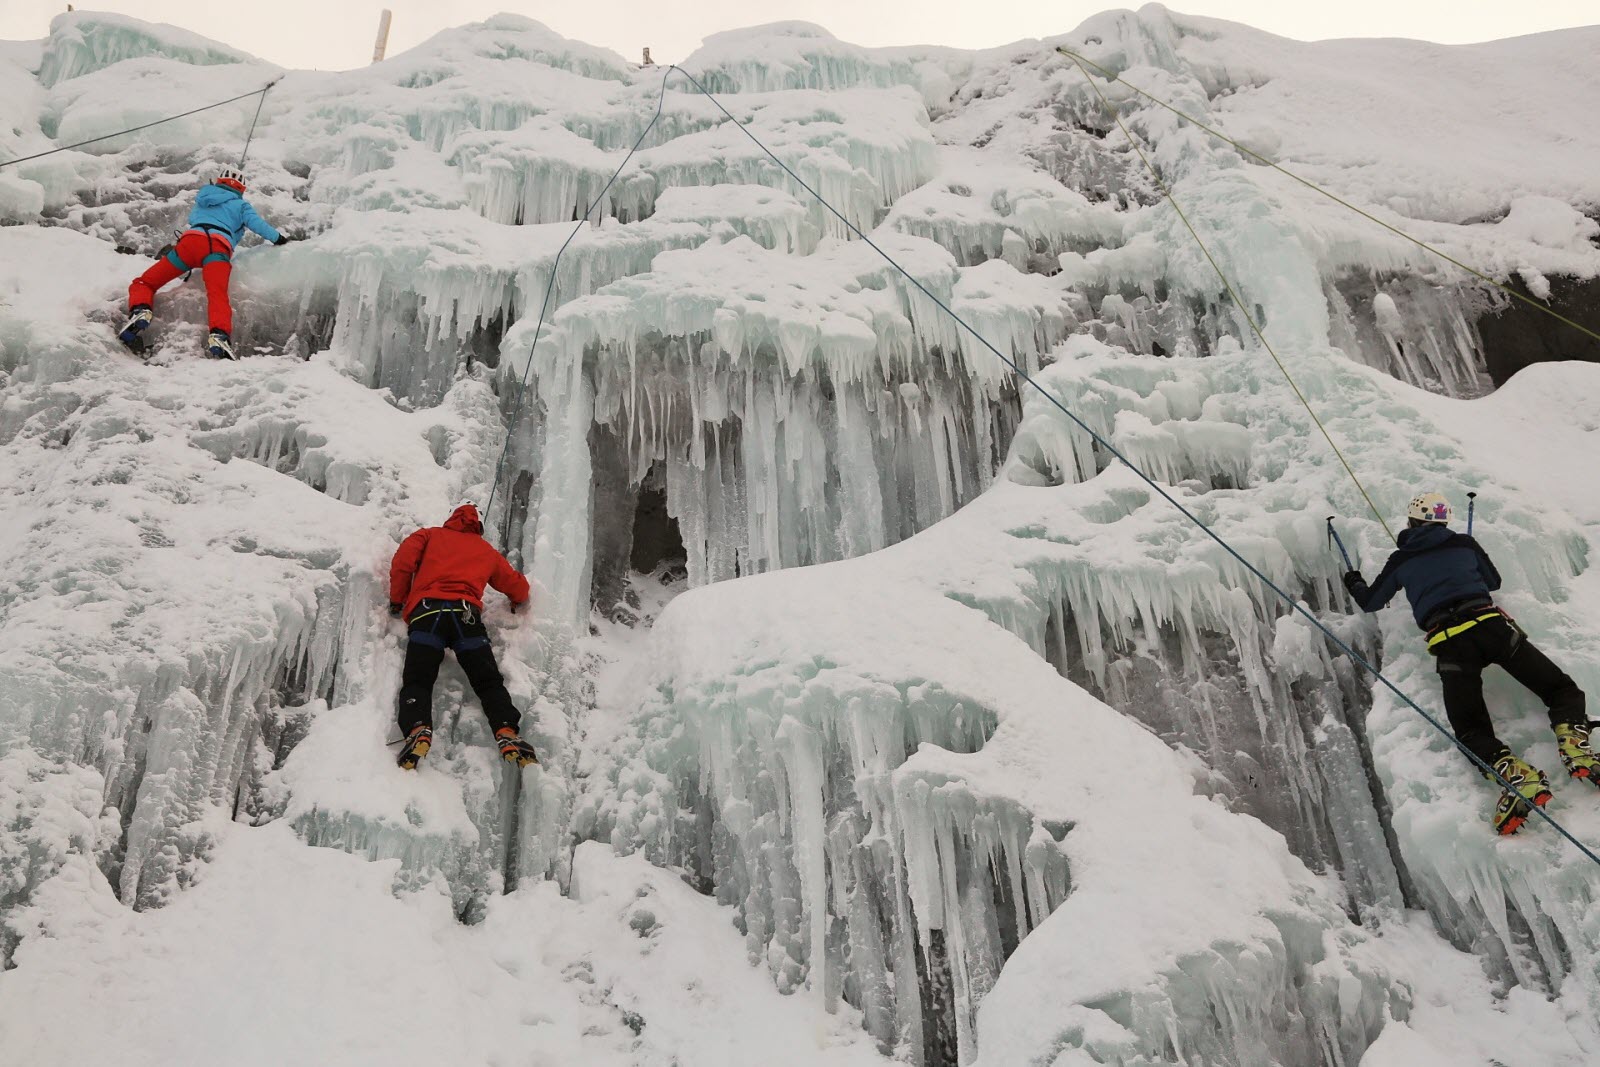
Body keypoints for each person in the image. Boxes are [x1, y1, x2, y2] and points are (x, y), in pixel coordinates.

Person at [1344, 492, 1595, 834]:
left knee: (1471, 730)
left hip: (1450, 645)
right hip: (1492, 629)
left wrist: (1354, 581)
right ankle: (1574, 744)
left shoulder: (1401, 559)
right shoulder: (1464, 544)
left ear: (1413, 522)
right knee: (1559, 688)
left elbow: (1371, 601)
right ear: (1443, 521)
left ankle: (1515, 775)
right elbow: (1493, 583)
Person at [388, 501, 538, 770]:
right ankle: (506, 731)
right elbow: (517, 585)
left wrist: (397, 600)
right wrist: (518, 599)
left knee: (418, 680)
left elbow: (403, 562)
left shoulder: (428, 535)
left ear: (452, 517)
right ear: (478, 525)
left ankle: (418, 729)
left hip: (427, 617)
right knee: (489, 681)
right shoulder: (485, 550)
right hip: (465, 618)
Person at [119, 166, 293, 360]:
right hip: (216, 249)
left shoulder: (203, 198)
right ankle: (219, 336)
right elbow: (258, 225)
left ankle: (141, 309)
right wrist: (280, 239)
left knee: (145, 282)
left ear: (219, 182)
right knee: (217, 294)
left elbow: (194, 219)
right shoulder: (241, 206)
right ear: (241, 189)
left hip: (189, 245)